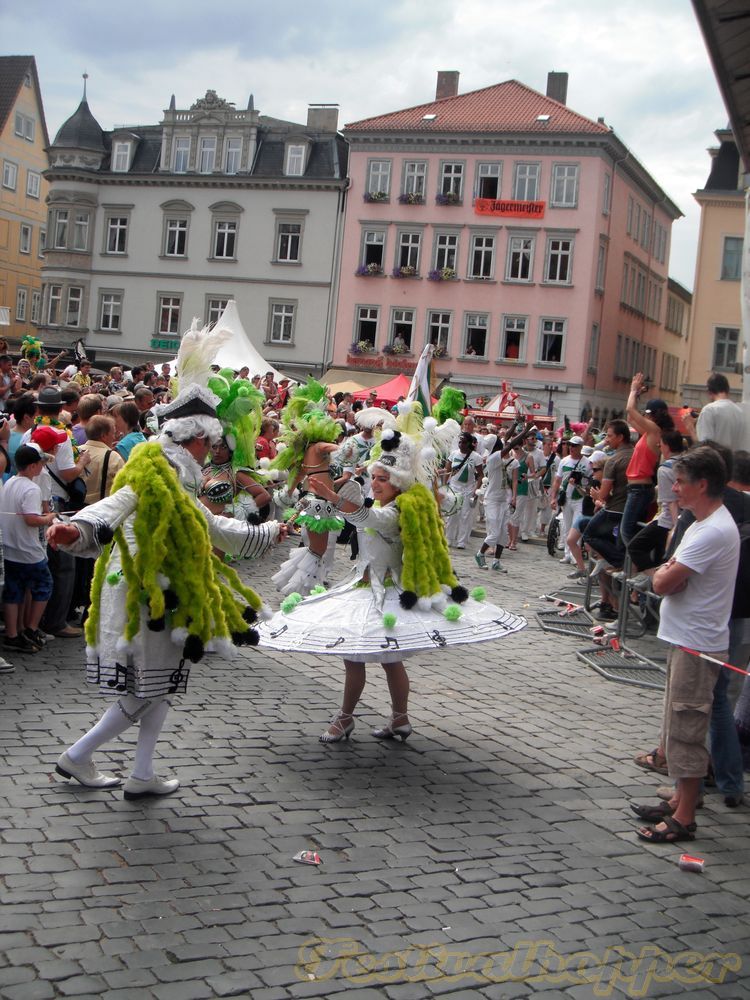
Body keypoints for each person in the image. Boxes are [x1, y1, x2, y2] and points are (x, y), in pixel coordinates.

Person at [48, 327, 287, 800]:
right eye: (209, 443)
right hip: (148, 592)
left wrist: (268, 530)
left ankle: (141, 773)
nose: (212, 451)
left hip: (158, 590)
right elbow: (117, 505)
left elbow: (206, 524)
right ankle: (77, 755)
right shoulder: (159, 475)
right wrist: (76, 527)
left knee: (161, 685)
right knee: (146, 690)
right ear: (195, 438)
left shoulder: (175, 474)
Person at [258, 406, 526, 742]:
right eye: (374, 477)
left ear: (397, 483)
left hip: (386, 593)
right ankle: (390, 719)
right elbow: (355, 516)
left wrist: (330, 496)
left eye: (383, 479)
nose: (376, 483)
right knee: (368, 659)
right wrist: (313, 501)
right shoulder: (382, 504)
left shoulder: (399, 511)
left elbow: (371, 521)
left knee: (374, 659)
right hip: (364, 586)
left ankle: (353, 718)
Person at [632, 447, 739, 844]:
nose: (674, 487)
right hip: (688, 638)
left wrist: (667, 574)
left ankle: (685, 816)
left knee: (688, 727)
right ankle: (679, 797)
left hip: (698, 642)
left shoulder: (712, 529)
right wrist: (669, 572)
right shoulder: (700, 521)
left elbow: (662, 581)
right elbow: (671, 572)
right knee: (676, 724)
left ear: (703, 484)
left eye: (680, 481)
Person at [1, 445, 56, 655]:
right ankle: (32, 628)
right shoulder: (32, 488)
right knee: (44, 585)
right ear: (33, 466)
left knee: (14, 592)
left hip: (10, 547)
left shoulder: (9, 483)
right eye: (40, 464)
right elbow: (31, 519)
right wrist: (49, 518)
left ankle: (13, 634)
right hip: (27, 550)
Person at [475, 435, 518, 572]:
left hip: (502, 500)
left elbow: (506, 440)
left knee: (503, 534)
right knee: (494, 533)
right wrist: (526, 430)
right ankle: (480, 554)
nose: (502, 441)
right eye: (499, 441)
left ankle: (496, 562)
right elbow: (510, 445)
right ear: (496, 445)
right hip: (492, 500)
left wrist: (516, 424)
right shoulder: (494, 458)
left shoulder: (496, 454)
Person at [550, 436, 591, 564]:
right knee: (567, 526)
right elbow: (557, 480)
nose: (571, 448)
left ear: (580, 447)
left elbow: (590, 481)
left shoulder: (587, 463)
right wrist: (553, 497)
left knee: (576, 527)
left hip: (579, 498)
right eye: (570, 445)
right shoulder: (564, 461)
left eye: (574, 446)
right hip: (566, 498)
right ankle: (567, 554)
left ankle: (575, 556)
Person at [443, 431, 483, 549]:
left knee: (465, 516)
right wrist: (445, 486)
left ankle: (462, 541)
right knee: (452, 515)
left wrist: (476, 491)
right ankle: (449, 539)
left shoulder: (476, 457)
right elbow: (447, 471)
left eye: (464, 442)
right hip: (454, 488)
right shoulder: (453, 454)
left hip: (468, 490)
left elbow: (481, 475)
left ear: (469, 443)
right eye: (459, 442)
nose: (461, 444)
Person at [690, 373, 747, 452]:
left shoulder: (709, 410)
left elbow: (704, 448)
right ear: (728, 390)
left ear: (709, 392)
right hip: (735, 462)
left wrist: (690, 427)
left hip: (716, 463)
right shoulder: (740, 412)